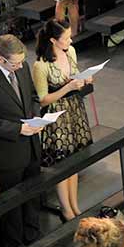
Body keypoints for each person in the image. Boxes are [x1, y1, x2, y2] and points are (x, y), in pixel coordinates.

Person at [0, 35, 45, 247]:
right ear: (1, 60)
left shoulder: (21, 68)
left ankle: (33, 235)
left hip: (31, 144)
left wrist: (36, 117)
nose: (20, 66)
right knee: (13, 201)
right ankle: (14, 244)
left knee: (33, 193)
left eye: (22, 61)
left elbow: (32, 96)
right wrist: (17, 129)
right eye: (15, 63)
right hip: (9, 152)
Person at [30, 19, 92, 217]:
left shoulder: (70, 53)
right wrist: (68, 87)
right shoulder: (41, 65)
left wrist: (84, 79)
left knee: (73, 160)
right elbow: (42, 100)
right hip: (56, 117)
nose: (70, 41)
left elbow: (75, 77)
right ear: (53, 41)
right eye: (66, 38)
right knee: (61, 164)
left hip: (74, 110)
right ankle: (66, 208)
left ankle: (74, 204)